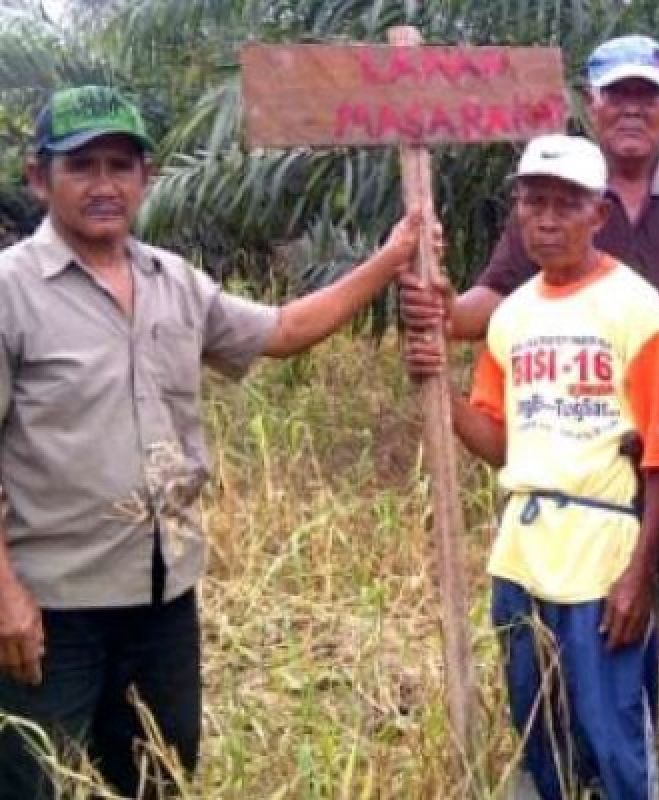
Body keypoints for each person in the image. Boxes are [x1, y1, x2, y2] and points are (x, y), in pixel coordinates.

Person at [0, 85, 425, 799]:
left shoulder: (174, 282)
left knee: (161, 776)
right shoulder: (11, 291)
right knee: (29, 783)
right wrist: (4, 593)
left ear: (146, 177)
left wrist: (391, 259)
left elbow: (283, 331)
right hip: (49, 606)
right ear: (40, 178)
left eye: (120, 165)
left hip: (164, 594)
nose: (104, 185)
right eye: (82, 167)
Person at [400, 35, 659, 791]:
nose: (548, 220)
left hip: (658, 477)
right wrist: (440, 347)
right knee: (545, 715)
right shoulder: (517, 314)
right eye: (535, 204)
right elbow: (497, 425)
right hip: (532, 545)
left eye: (645, 96)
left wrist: (636, 568)